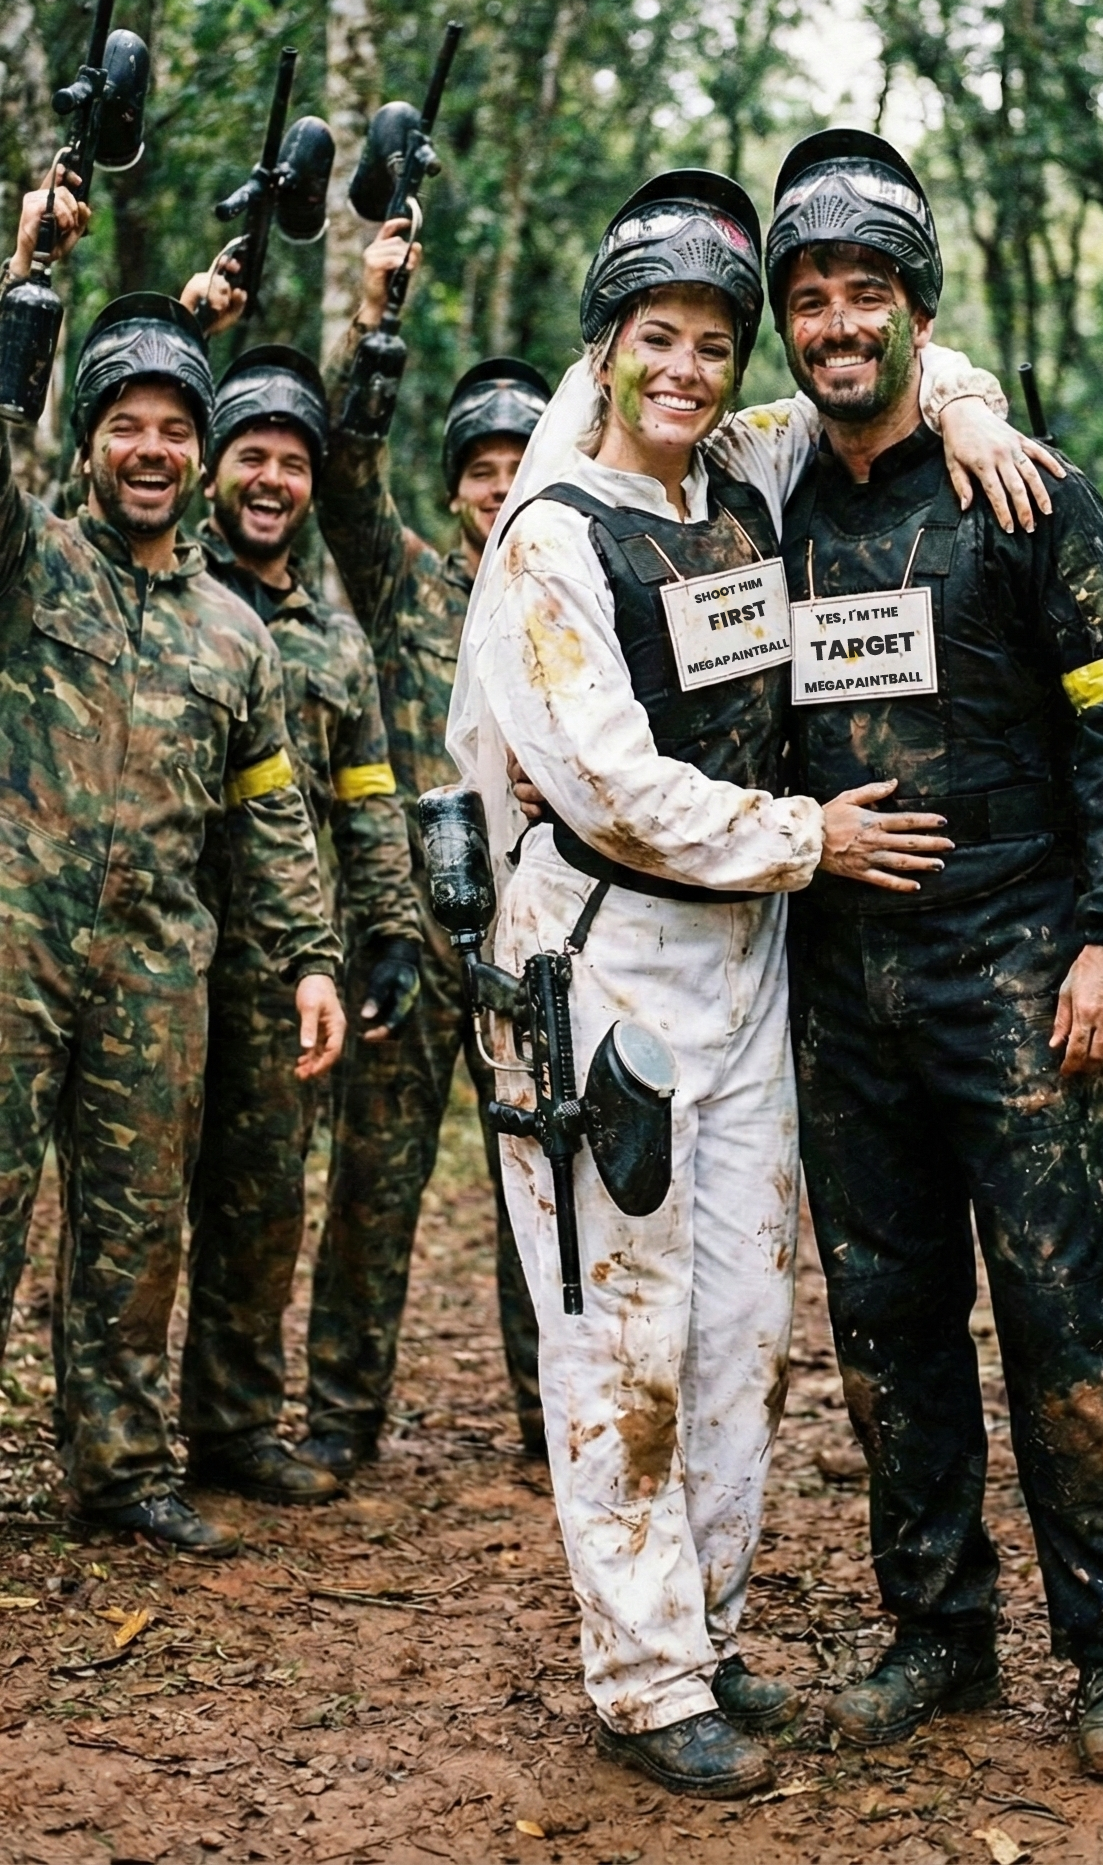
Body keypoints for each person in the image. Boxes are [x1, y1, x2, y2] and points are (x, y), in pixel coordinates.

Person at [453, 167, 1048, 1798]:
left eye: (717, 341)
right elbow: (611, 782)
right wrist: (808, 834)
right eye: (661, 337)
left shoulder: (746, 472)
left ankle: (700, 1632)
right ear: (608, 345)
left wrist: (980, 410)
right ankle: (641, 1682)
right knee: (619, 1333)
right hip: (606, 960)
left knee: (740, 1327)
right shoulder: (550, 535)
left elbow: (887, 370)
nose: (693, 371)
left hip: (751, 957)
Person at [743, 129, 1103, 1778]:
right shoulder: (768, 499)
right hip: (842, 993)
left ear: (917, 311)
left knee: (1066, 1317)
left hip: (1020, 977)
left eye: (868, 294)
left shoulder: (1021, 488)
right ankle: (939, 1629)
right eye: (812, 299)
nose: (839, 322)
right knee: (885, 1321)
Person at [0, 173, 344, 1556]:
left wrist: (312, 956)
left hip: (160, 962)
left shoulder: (236, 634)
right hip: (14, 940)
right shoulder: (28, 566)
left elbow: (269, 822)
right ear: (88, 446)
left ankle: (124, 1468)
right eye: (126, 428)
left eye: (174, 432)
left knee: (138, 1228)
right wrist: (28, 291)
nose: (152, 450)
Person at [303, 228, 555, 1472]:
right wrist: (373, 327)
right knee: (374, 1181)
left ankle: (550, 1419)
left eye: (522, 466)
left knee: (541, 1179)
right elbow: (347, 476)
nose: (500, 488)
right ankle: (342, 1424)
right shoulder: (408, 585)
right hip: (411, 931)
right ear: (455, 485)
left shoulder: (576, 589)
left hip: (543, 934)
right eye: (481, 470)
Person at [165, 332, 421, 1506]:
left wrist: (392, 929)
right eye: (250, 455)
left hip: (281, 965)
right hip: (160, 945)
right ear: (214, 465)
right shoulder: (164, 588)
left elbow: (371, 798)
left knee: (265, 1203)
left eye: (293, 463)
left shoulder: (335, 635)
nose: (271, 480)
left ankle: (230, 1428)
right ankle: (109, 1446)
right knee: (138, 1205)